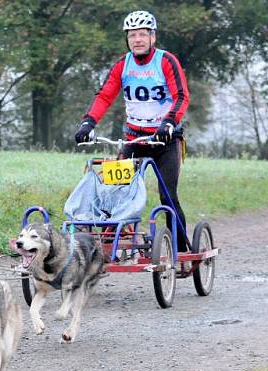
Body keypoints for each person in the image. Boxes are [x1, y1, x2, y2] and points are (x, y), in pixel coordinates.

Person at [75, 10, 190, 251]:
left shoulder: (166, 61)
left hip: (165, 140)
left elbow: (181, 96)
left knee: (167, 195)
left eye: (142, 34)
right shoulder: (122, 65)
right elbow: (105, 95)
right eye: (132, 35)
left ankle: (180, 249)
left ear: (152, 37)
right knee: (115, 192)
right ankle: (108, 247)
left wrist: (169, 122)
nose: (137, 40)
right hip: (134, 139)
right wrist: (88, 123)